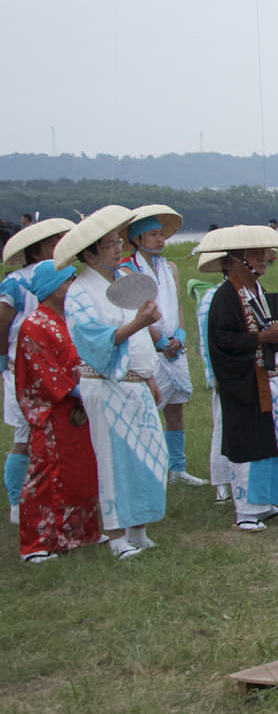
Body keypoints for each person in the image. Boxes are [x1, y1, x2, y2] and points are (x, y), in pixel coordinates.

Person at [56, 206, 168, 558]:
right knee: (114, 458)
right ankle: (116, 535)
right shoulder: (80, 292)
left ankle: (138, 527)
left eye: (119, 241)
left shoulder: (123, 281)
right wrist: (138, 323)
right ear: (90, 254)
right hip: (105, 384)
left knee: (147, 454)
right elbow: (94, 342)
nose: (118, 248)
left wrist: (148, 374)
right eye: (109, 244)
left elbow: (141, 338)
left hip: (136, 382)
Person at [204, 226, 278, 531]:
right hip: (244, 382)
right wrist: (260, 338)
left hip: (268, 380)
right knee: (248, 444)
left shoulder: (257, 291)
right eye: (255, 255)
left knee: (271, 441)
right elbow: (222, 341)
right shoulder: (225, 297)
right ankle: (245, 510)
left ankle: (265, 503)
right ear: (236, 260)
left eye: (263, 254)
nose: (263, 259)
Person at [13, 260, 101, 562]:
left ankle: (81, 533)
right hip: (53, 410)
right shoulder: (34, 325)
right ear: (50, 287)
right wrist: (74, 388)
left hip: (79, 407)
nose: (73, 285)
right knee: (47, 473)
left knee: (82, 470)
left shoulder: (71, 318)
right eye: (67, 280)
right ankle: (37, 543)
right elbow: (42, 371)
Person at [122, 203, 209, 489]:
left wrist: (179, 335)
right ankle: (146, 467)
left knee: (176, 409)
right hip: (149, 348)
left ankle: (177, 468)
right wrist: (158, 341)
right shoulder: (127, 269)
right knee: (147, 411)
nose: (160, 240)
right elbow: (135, 310)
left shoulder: (170, 268)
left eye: (162, 234)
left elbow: (177, 306)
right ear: (138, 239)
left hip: (175, 346)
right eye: (153, 235)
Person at [1, 218, 74, 524]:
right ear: (38, 249)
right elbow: (3, 323)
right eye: (54, 242)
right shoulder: (16, 282)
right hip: (23, 369)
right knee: (24, 437)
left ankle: (56, 496)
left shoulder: (65, 275)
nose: (60, 246)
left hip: (61, 367)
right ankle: (17, 502)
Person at [189, 251, 234, 503]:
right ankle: (221, 483)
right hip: (225, 373)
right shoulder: (212, 297)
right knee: (223, 425)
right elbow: (206, 340)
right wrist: (213, 373)